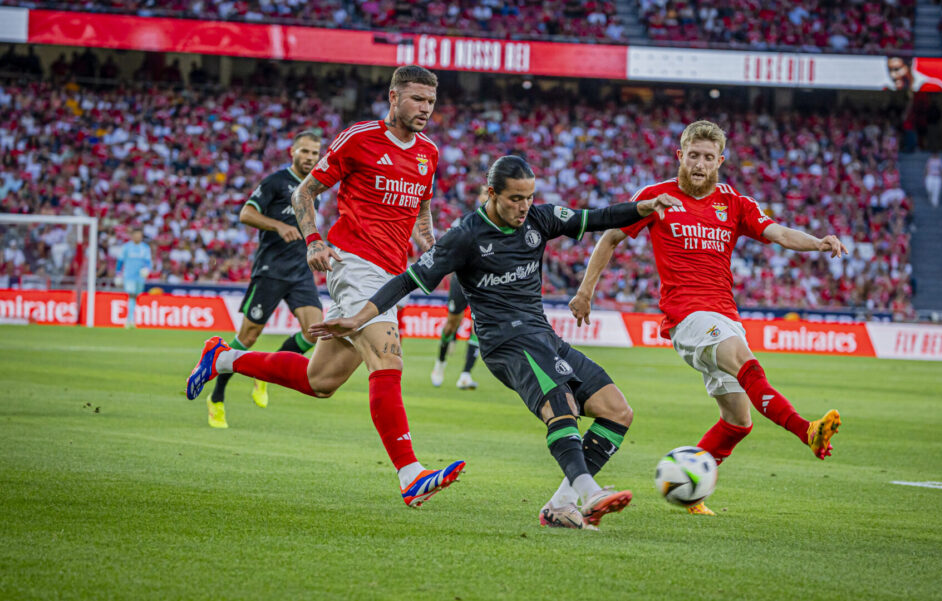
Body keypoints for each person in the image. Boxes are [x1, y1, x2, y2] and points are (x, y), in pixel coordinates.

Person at [309, 155, 683, 530]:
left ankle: (561, 505)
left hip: (543, 337)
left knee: (617, 411)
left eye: (529, 198)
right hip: (506, 343)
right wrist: (359, 318)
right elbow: (409, 280)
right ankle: (590, 493)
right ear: (492, 193)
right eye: (515, 199)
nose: (524, 207)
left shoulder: (540, 218)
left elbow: (598, 217)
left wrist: (643, 207)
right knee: (560, 404)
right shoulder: (465, 235)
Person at [186, 65, 463, 508]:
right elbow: (303, 193)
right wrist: (314, 239)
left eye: (430, 102)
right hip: (354, 263)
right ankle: (411, 474)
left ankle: (224, 358)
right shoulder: (358, 138)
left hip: (391, 274)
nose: (424, 109)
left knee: (321, 380)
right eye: (416, 99)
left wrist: (433, 248)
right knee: (386, 358)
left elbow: (422, 213)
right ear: (393, 98)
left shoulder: (428, 152)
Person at [569, 121, 845, 516]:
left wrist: (817, 242)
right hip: (688, 317)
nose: (699, 164)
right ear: (680, 156)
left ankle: (688, 486)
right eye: (693, 155)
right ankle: (807, 430)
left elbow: (779, 233)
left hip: (724, 314)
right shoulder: (656, 196)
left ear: (720, 161)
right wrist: (584, 291)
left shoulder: (735, 203)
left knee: (737, 420)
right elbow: (610, 236)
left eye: (708, 157)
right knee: (745, 362)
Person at [205, 130, 326, 429]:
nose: (310, 157)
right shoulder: (275, 182)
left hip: (300, 272)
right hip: (270, 271)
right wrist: (277, 226)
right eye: (305, 151)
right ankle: (216, 398)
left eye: (315, 153)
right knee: (246, 339)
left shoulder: (314, 188)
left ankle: (264, 373)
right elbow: (246, 213)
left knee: (315, 332)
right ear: (292, 152)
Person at [430, 186, 490, 390]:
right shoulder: (465, 220)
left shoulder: (504, 225)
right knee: (451, 324)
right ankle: (440, 363)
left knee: (477, 327)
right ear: (480, 197)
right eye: (483, 193)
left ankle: (465, 375)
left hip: (485, 283)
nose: (487, 196)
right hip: (462, 281)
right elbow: (448, 247)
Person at [115, 227, 152, 329]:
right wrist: (118, 274)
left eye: (140, 236)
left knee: (136, 296)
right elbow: (120, 261)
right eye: (136, 235)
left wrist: (147, 269)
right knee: (131, 295)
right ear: (132, 236)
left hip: (140, 277)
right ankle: (130, 320)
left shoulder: (145, 248)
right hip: (129, 276)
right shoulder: (126, 247)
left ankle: (132, 318)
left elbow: (148, 263)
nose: (138, 237)